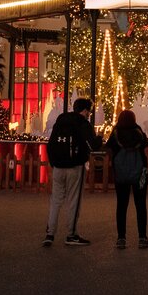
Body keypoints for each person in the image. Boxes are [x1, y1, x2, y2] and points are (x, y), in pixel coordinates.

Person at [43, 97, 102, 247]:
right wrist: (99, 137)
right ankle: (71, 234)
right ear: (85, 110)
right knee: (74, 200)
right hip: (75, 166)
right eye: (89, 111)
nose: (89, 114)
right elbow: (93, 145)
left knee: (56, 200)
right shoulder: (83, 123)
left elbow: (50, 144)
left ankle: (50, 233)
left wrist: (53, 163)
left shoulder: (61, 120)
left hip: (58, 166)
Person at [105, 110, 148, 249]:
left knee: (122, 205)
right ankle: (142, 237)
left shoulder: (116, 132)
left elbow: (109, 146)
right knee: (140, 204)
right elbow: (145, 144)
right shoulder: (138, 131)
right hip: (139, 172)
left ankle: (121, 238)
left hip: (121, 173)